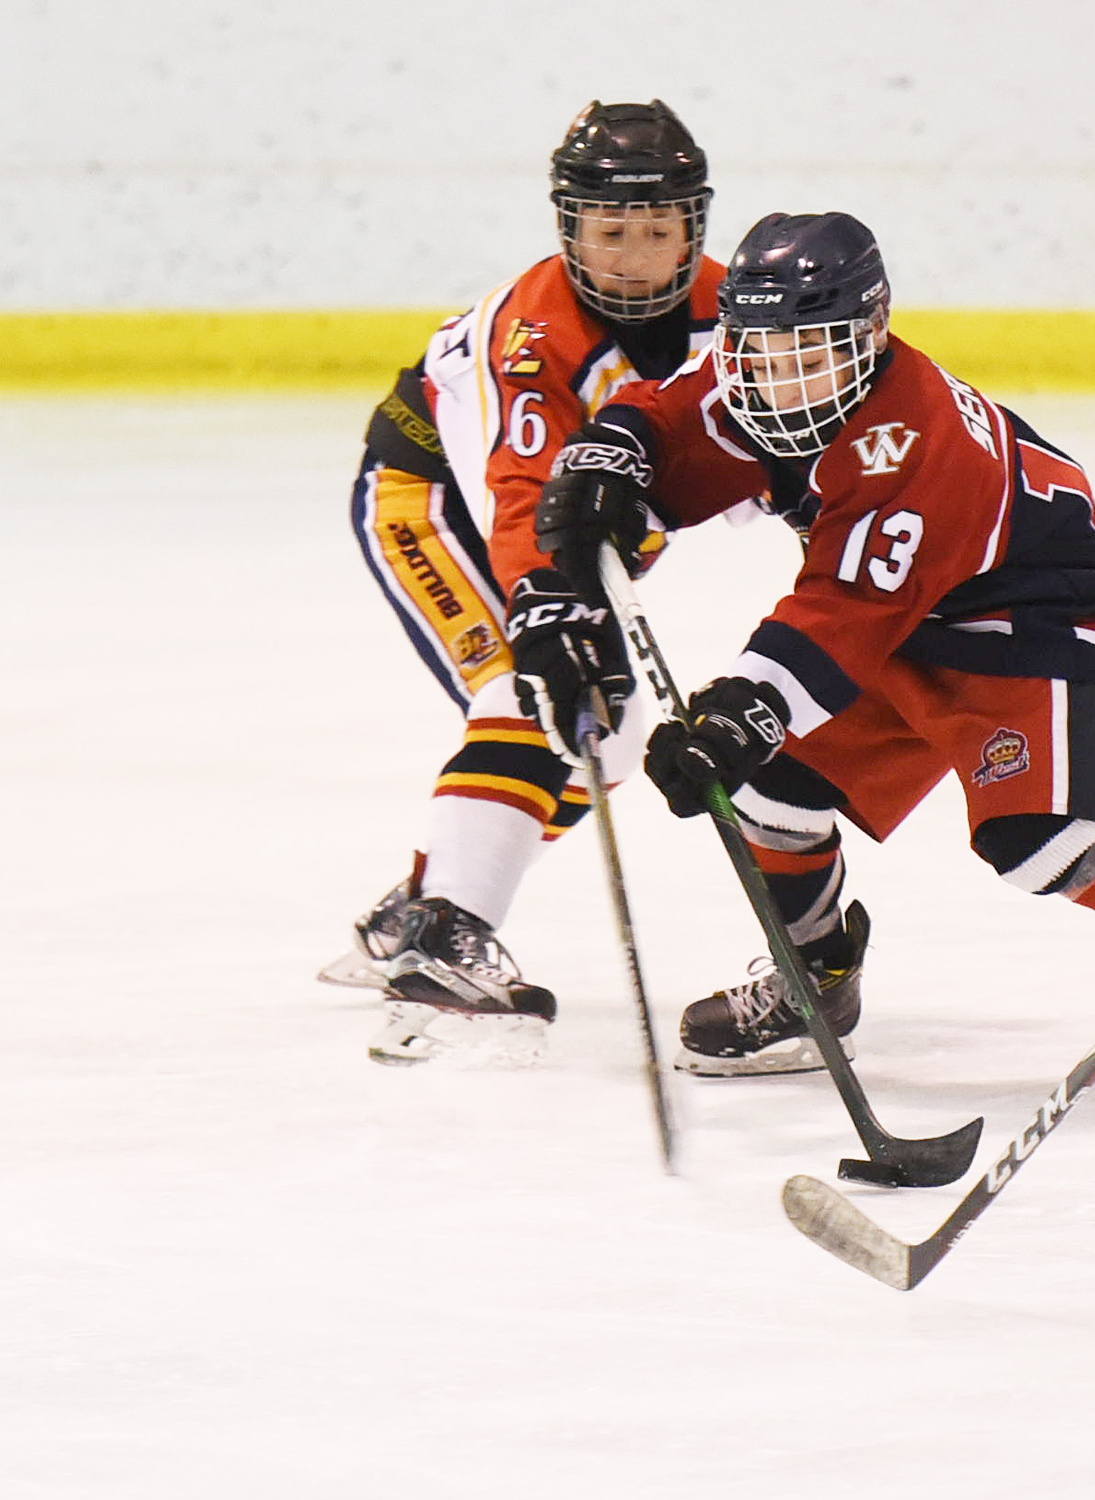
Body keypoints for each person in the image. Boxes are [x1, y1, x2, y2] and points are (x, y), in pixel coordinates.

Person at [526, 210, 1095, 1077]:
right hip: (903, 616)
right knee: (774, 791)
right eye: (762, 354)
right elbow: (664, 417)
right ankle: (815, 985)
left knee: (1042, 844)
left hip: (1026, 613)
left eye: (808, 355)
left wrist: (746, 709)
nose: (782, 380)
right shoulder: (753, 382)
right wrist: (611, 455)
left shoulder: (915, 440)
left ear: (870, 334)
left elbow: (845, 613)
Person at [319, 100, 722, 1064]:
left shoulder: (733, 314)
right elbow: (520, 494)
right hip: (432, 506)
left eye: (657, 232)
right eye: (610, 233)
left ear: (694, 227)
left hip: (550, 525)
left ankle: (420, 904)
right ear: (570, 228)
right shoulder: (533, 334)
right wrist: (546, 602)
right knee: (530, 695)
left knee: (608, 739)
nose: (633, 258)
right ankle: (442, 943)